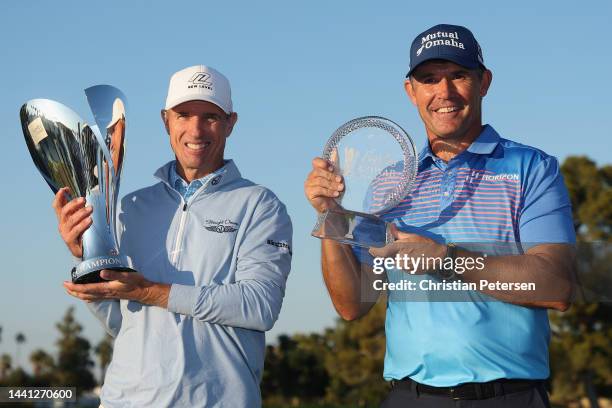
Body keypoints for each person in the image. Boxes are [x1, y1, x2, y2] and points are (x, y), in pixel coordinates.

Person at [304, 24, 576, 408]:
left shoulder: (531, 167)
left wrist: (447, 259)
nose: (444, 93)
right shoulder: (389, 184)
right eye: (429, 79)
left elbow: (556, 286)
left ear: (484, 82)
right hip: (409, 397)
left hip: (509, 396)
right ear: (410, 91)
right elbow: (352, 305)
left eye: (459, 76)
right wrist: (331, 217)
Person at [53, 65, 293, 407]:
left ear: (230, 123)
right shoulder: (129, 206)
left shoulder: (261, 205)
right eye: (183, 115)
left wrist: (152, 292)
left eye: (210, 116)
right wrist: (90, 260)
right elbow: (124, 322)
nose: (195, 129)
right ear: (166, 121)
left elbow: (259, 306)